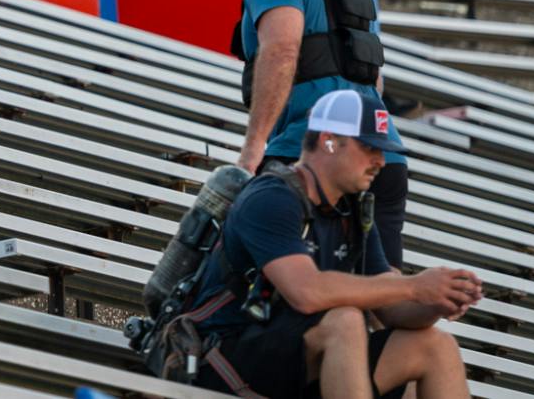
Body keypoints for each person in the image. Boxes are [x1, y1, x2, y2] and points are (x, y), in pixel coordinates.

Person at [185, 89, 481, 398]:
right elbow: (306, 293)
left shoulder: (352, 211)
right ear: (328, 140)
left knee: (435, 345)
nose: (380, 161)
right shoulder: (272, 197)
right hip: (222, 359)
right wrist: (416, 287)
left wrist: (438, 300)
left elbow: (392, 308)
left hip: (295, 361)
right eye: (369, 147)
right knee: (345, 320)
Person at [229, 0, 411, 269]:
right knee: (382, 297)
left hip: (315, 156)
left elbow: (282, 50)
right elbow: (372, 76)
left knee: (277, 283)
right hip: (383, 155)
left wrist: (252, 149)